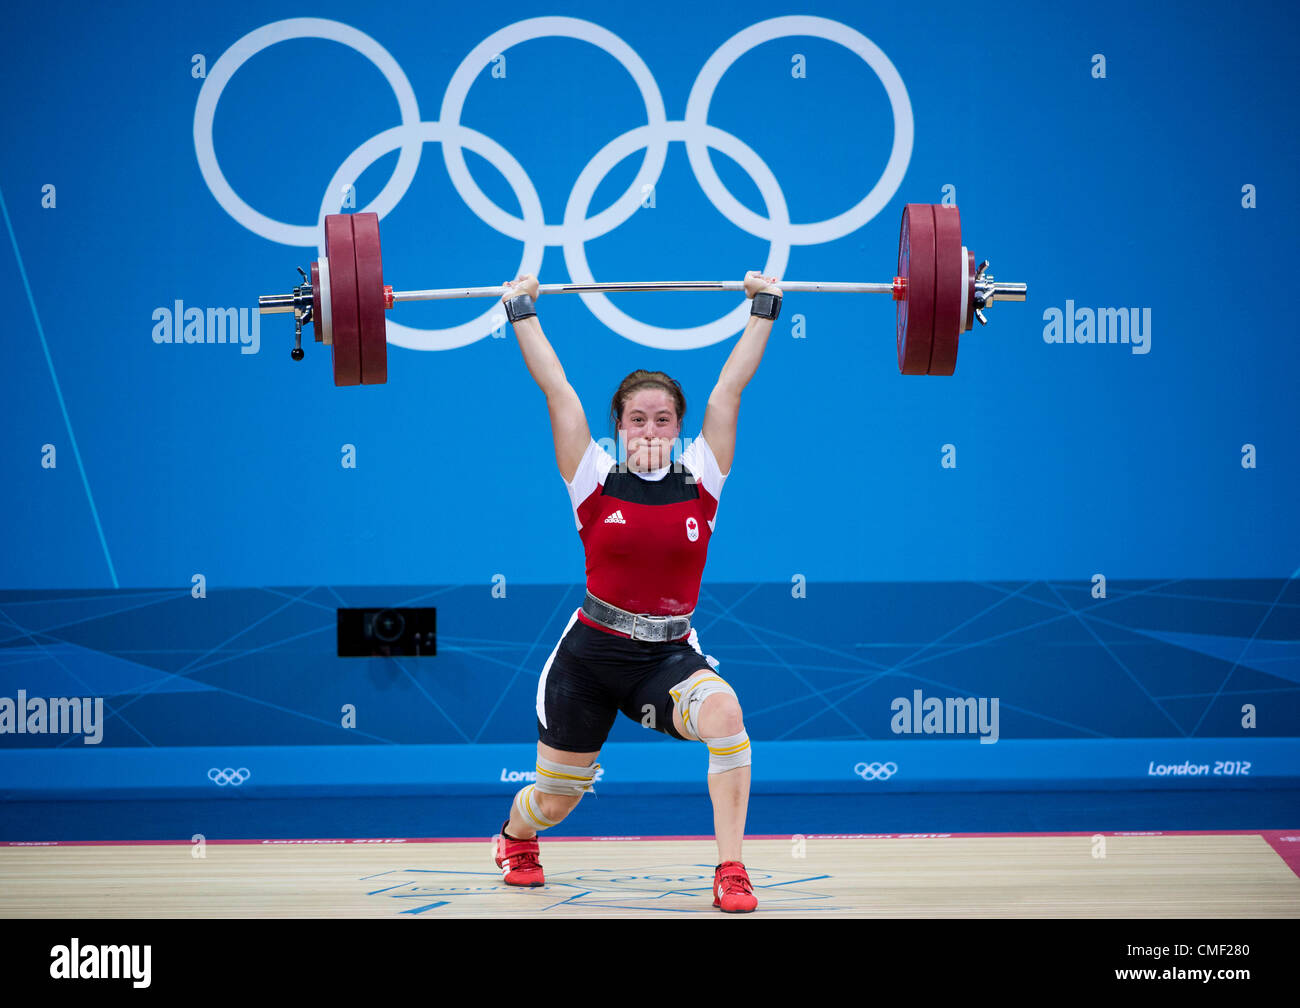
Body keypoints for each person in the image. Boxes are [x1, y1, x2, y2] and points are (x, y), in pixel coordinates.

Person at [490, 270, 782, 913]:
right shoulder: (592, 478)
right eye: (636, 420)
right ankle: (516, 834)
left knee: (728, 717)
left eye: (663, 419)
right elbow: (558, 389)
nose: (650, 431)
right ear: (618, 427)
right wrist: (521, 311)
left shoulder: (702, 476)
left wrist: (764, 307)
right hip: (590, 660)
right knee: (556, 801)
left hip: (667, 658)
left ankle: (731, 869)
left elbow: (730, 388)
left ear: (678, 426)